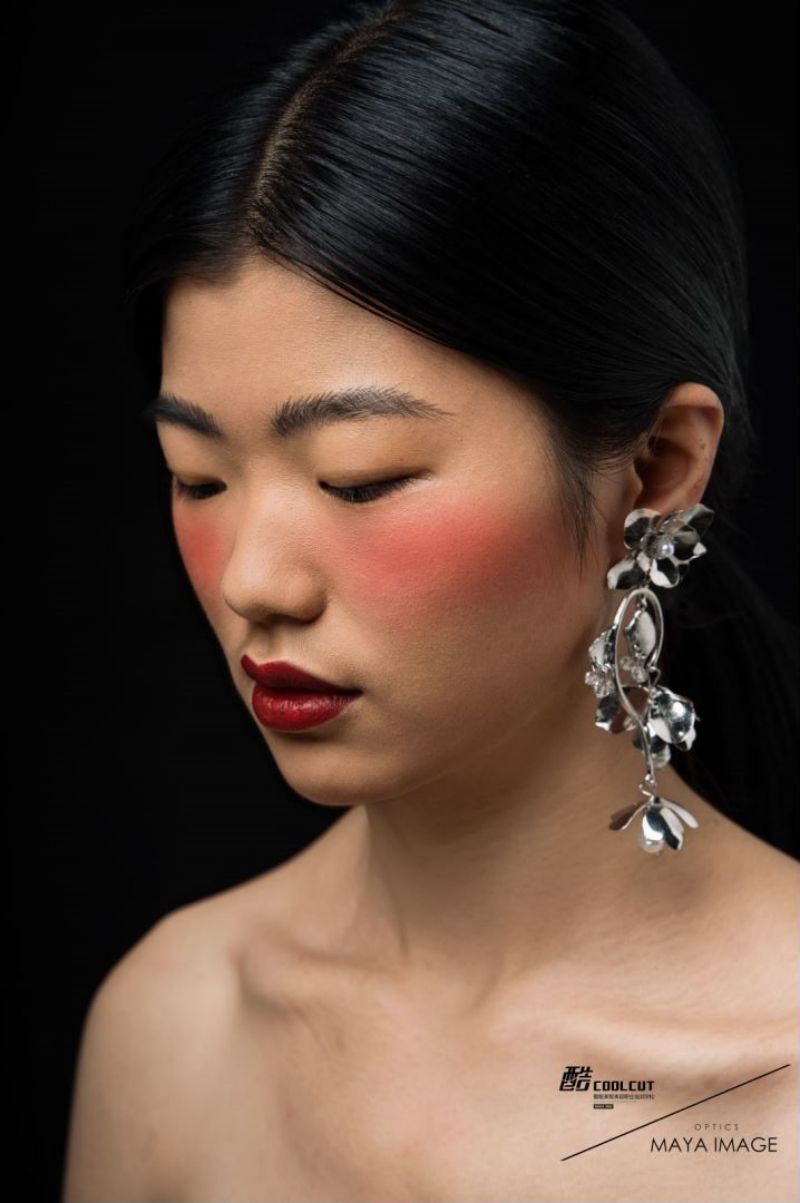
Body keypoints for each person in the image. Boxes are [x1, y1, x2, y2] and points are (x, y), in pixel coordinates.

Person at [63, 1, 799, 1199]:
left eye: (358, 479)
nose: (254, 582)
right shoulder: (179, 1023)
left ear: (656, 468)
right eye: (197, 477)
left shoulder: (772, 1087)